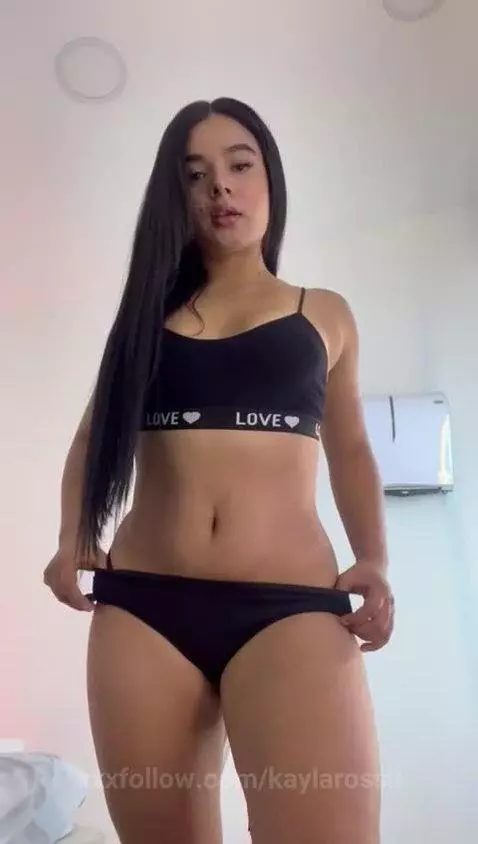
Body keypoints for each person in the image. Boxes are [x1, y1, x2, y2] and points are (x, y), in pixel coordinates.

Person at [43, 97, 395, 844]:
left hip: (290, 607)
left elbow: (353, 450)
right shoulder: (142, 322)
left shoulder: (324, 313)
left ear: (270, 179)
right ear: (175, 196)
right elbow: (90, 438)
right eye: (195, 175)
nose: (220, 188)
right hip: (145, 611)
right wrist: (72, 535)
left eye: (240, 165)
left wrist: (374, 555)